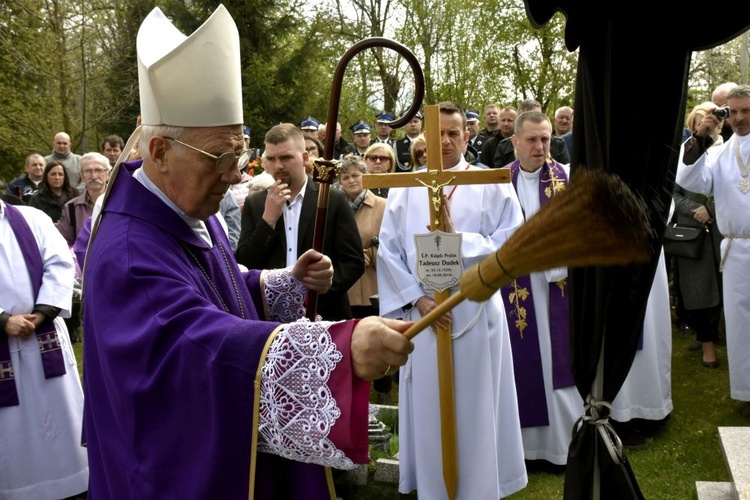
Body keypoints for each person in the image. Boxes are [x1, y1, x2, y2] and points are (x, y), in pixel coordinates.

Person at [82, 6, 413, 499]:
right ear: (159, 153)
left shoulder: (185, 203)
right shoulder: (129, 253)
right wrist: (336, 350)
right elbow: (192, 343)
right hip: (162, 471)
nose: (237, 175)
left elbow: (218, 283)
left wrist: (283, 282)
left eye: (239, 156)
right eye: (221, 156)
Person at [377, 101, 528, 499]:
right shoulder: (407, 188)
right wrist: (416, 299)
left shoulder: (491, 182)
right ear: (424, 137)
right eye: (437, 132)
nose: (444, 140)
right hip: (426, 317)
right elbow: (389, 250)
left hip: (475, 310)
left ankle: (479, 487)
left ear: (466, 135)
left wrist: (460, 239)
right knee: (430, 408)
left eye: (453, 132)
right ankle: (433, 487)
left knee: (477, 407)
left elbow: (512, 243)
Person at [499, 111, 582, 466]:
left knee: (558, 362)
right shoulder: (498, 181)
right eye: (531, 139)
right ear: (515, 141)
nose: (539, 146)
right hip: (514, 285)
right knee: (521, 363)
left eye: (545, 139)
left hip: (555, 286)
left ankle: (561, 446)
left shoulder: (566, 178)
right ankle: (523, 449)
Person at [0, 197, 89, 499]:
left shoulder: (32, 218)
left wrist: (41, 312)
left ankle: (74, 480)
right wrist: (3, 321)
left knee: (60, 415)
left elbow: (61, 263)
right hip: (3, 344)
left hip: (44, 337)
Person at [237, 123, 364, 321]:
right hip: (271, 319)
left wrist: (319, 289)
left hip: (326, 314)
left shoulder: (331, 199)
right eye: (271, 158)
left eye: (286, 157)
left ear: (304, 158)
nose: (278, 165)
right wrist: (268, 220)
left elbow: (353, 262)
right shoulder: (255, 203)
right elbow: (245, 263)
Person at [676, 84, 750, 418]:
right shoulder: (720, 152)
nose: (739, 118)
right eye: (733, 112)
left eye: (746, 111)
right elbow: (691, 179)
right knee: (739, 321)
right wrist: (702, 137)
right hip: (734, 245)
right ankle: (747, 391)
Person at [491, 100, 570, 169]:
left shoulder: (558, 144)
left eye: (536, 116)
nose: (539, 147)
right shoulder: (504, 146)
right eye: (531, 139)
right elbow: (499, 178)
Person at [57, 152, 111, 247]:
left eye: (98, 170)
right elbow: (64, 243)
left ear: (108, 174)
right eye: (88, 171)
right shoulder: (71, 208)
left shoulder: (121, 203)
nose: (94, 176)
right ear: (81, 176)